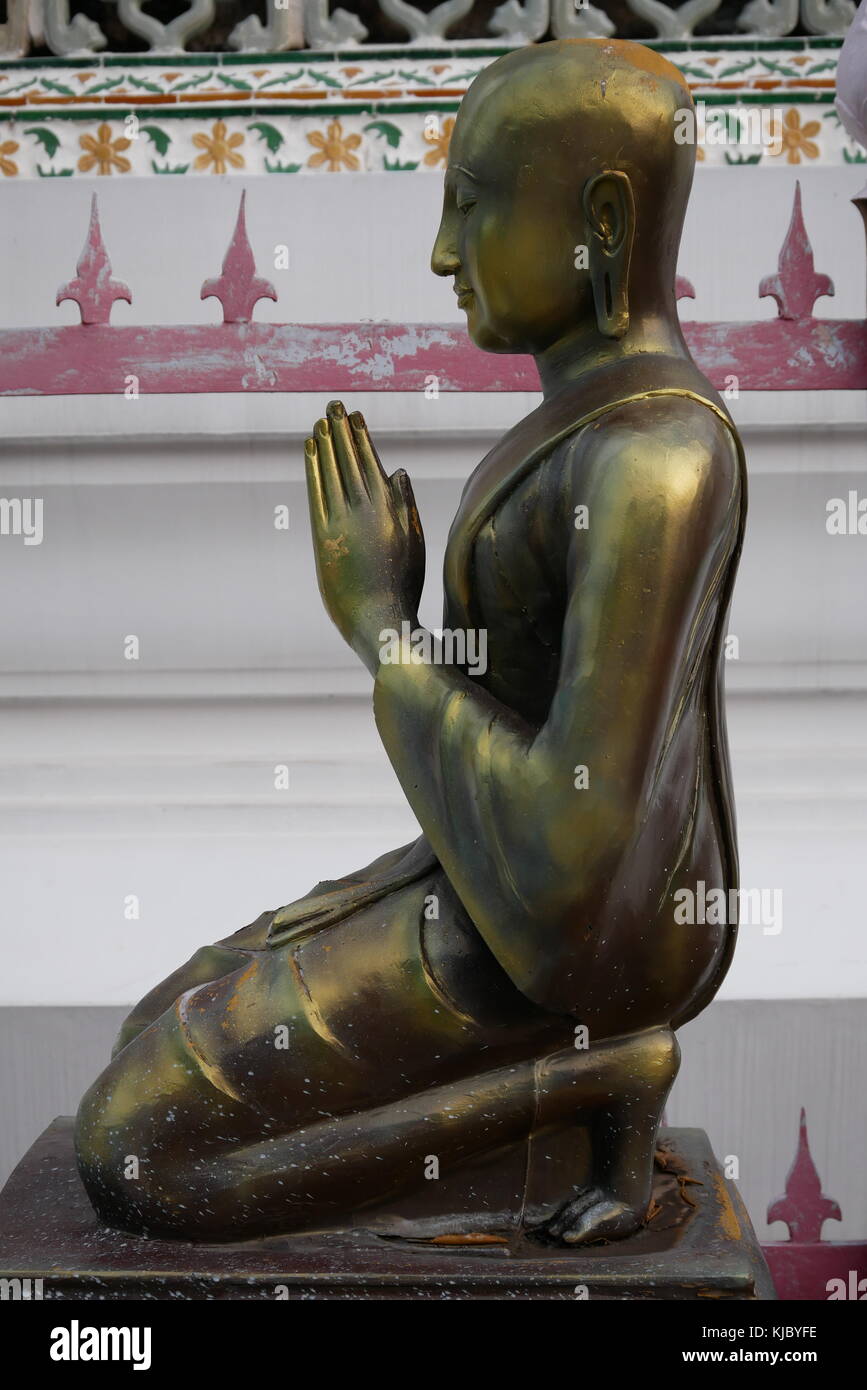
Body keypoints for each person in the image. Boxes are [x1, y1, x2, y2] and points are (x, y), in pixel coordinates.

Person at [76, 37, 746, 1246]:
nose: (442, 251)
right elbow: (520, 720)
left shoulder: (654, 458)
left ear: (601, 219)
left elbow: (571, 852)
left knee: (133, 1158)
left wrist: (380, 627)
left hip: (578, 942)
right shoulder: (590, 423)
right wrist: (407, 624)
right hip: (493, 890)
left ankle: (597, 1078)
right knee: (149, 1021)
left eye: (471, 207)